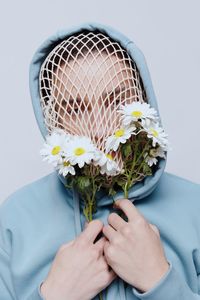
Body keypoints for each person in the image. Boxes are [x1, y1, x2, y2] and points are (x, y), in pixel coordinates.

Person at [0, 22, 200, 300]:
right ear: (50, 120)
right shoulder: (14, 219)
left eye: (117, 100)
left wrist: (159, 281)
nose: (98, 128)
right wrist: (56, 295)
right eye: (74, 108)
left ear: (143, 100)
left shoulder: (196, 208)